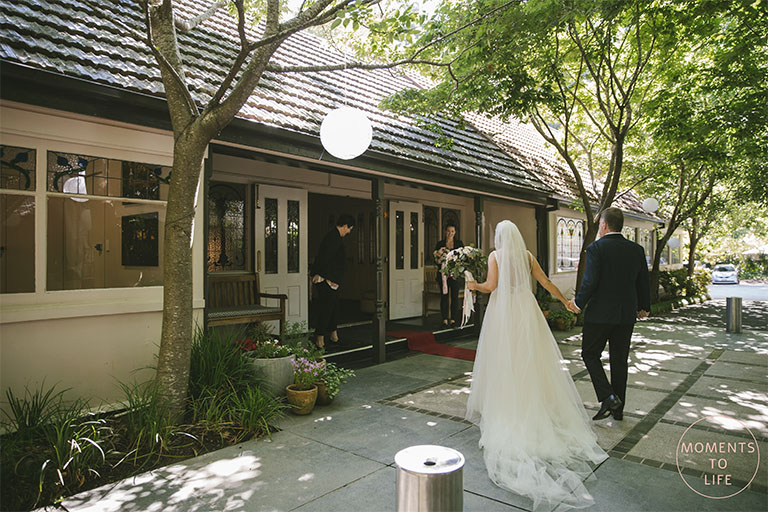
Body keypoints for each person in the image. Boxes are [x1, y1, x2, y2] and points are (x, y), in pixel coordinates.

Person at [465, 220, 607, 510]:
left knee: (504, 359)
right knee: (530, 359)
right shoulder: (527, 256)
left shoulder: (495, 256)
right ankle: (535, 404)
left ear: (500, 237)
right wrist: (566, 302)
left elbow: (491, 286)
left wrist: (474, 285)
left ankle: (507, 405)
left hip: (503, 312)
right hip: (525, 311)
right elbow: (545, 283)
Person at [570, 207, 650, 422]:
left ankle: (608, 396)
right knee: (619, 360)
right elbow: (643, 280)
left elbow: (590, 281)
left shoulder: (596, 248)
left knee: (589, 354)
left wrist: (578, 303)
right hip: (626, 314)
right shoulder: (636, 249)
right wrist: (645, 306)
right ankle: (618, 409)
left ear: (604, 225)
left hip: (599, 314)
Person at [310, 214, 355, 348]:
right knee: (326, 308)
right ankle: (319, 337)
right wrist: (320, 275)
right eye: (350, 228)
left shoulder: (335, 237)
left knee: (334, 306)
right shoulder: (333, 238)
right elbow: (324, 258)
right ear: (345, 226)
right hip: (327, 279)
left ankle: (333, 334)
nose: (349, 231)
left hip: (331, 279)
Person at [433, 222, 463, 327]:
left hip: (454, 274)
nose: (450, 233)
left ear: (455, 232)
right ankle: (445, 318)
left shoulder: (459, 244)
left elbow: (461, 259)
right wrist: (440, 256)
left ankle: (454, 318)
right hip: (443, 275)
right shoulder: (440, 244)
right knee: (444, 296)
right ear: (445, 231)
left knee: (454, 297)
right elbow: (436, 260)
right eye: (448, 231)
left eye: (452, 231)